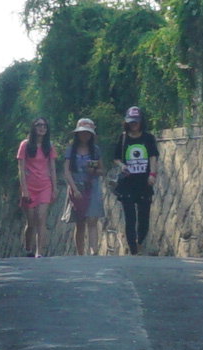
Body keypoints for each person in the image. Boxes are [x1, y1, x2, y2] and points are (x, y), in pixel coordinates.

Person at [112, 104, 162, 256]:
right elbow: (116, 158)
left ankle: (139, 243)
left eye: (136, 121)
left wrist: (152, 175)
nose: (133, 124)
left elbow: (153, 157)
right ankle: (133, 250)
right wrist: (122, 166)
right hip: (127, 183)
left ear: (141, 121)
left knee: (144, 218)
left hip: (144, 183)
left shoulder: (148, 138)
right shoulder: (123, 137)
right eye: (131, 121)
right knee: (130, 218)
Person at [63, 118, 105, 254]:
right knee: (80, 223)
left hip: (92, 187)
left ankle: (94, 251)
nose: (85, 135)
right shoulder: (71, 150)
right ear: (77, 134)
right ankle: (80, 253)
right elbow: (67, 170)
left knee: (92, 219)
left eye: (88, 133)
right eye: (82, 132)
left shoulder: (95, 150)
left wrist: (93, 171)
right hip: (77, 188)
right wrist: (74, 189)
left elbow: (102, 170)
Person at [16, 122, 57, 257]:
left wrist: (54, 188)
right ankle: (28, 247)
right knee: (31, 221)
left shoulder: (49, 146)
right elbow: (21, 169)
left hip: (45, 185)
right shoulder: (25, 145)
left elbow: (52, 168)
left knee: (41, 217)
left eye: (45, 126)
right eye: (39, 125)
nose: (42, 128)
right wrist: (24, 190)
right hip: (29, 186)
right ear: (33, 128)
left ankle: (40, 251)